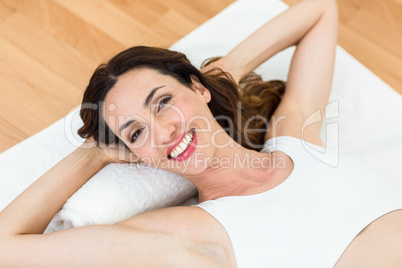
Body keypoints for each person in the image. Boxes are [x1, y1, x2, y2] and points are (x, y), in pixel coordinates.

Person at [0, 0, 401, 266]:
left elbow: (319, 10)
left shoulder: (296, 136)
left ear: (198, 88)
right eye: (136, 132)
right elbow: (6, 247)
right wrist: (95, 152)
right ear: (137, 155)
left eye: (162, 101)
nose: (164, 130)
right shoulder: (189, 235)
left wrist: (226, 70)